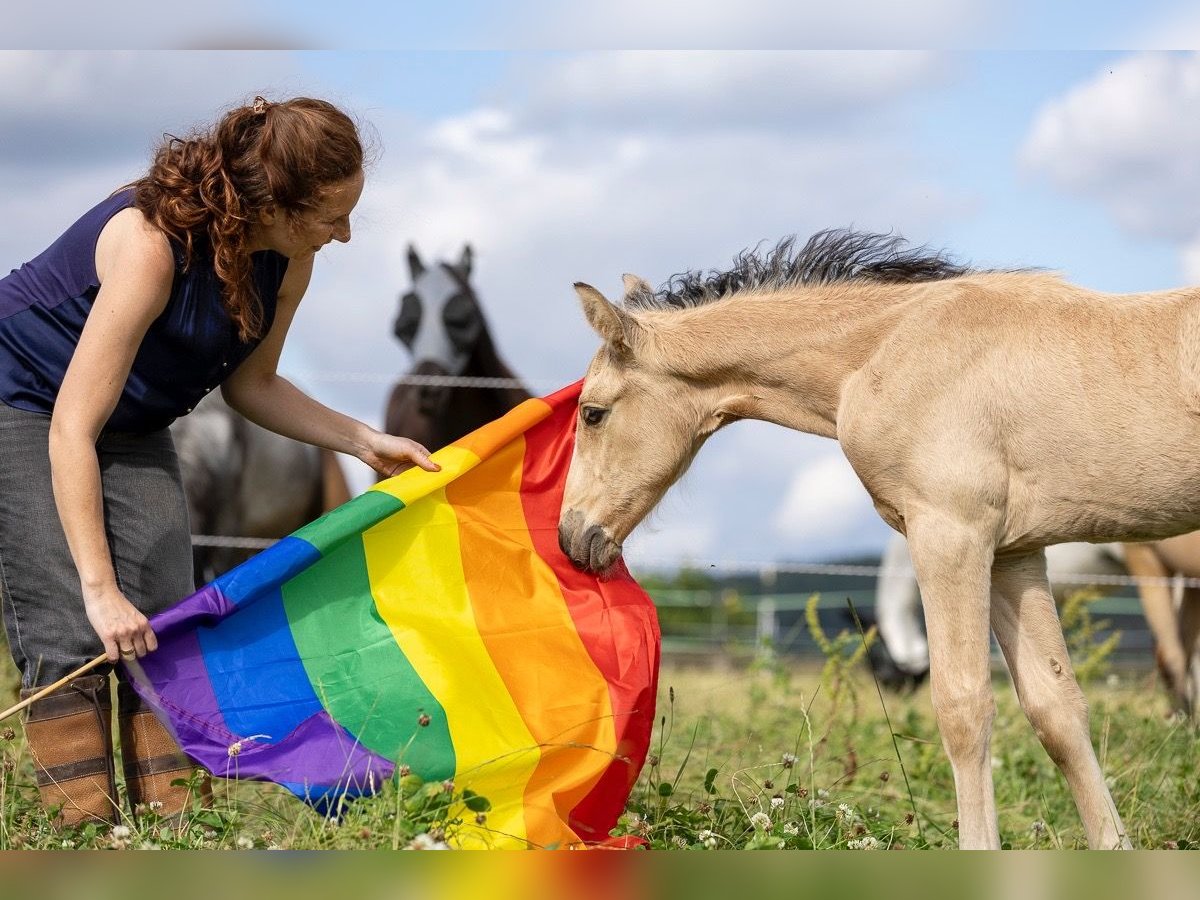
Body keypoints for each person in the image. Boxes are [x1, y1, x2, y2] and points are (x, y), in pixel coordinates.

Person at [0, 96, 439, 828]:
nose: (347, 233)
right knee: (72, 629)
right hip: (26, 402)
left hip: (130, 419)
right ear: (272, 203)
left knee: (166, 622)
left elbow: (253, 385)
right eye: (332, 215)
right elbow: (72, 426)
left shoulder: (289, 257)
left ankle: (172, 836)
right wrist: (101, 588)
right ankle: (79, 840)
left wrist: (363, 441)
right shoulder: (148, 245)